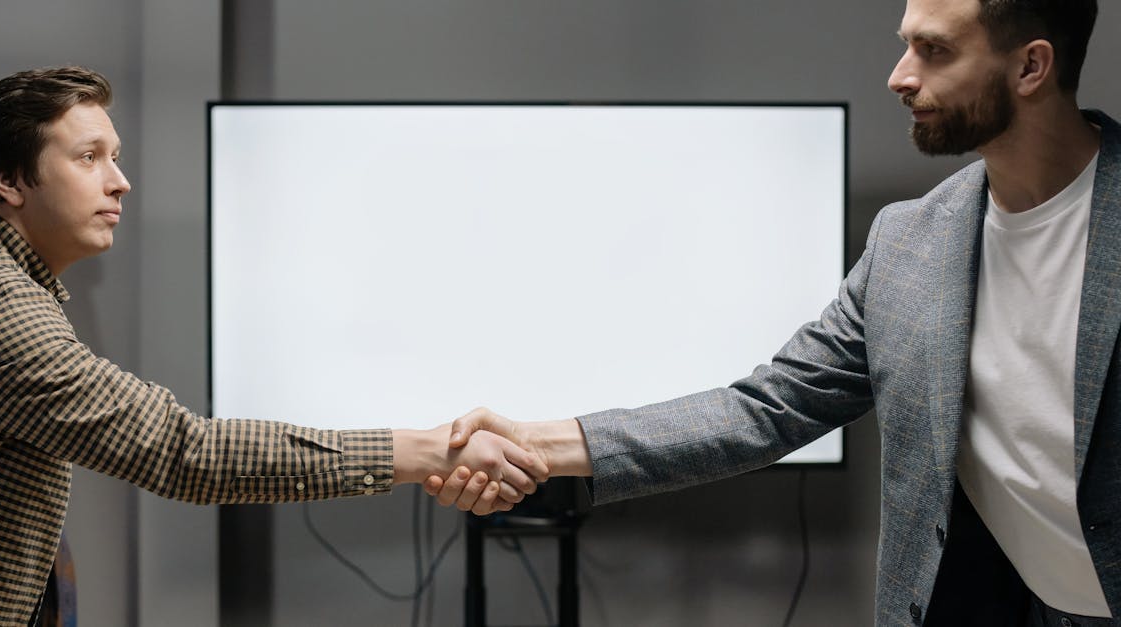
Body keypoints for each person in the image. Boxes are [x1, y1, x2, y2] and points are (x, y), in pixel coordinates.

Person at [429, 0, 1121, 624]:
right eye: (905, 44)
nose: (899, 76)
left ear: (1031, 67)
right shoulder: (912, 241)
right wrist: (539, 444)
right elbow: (766, 407)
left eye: (935, 51)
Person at [0, 66, 547, 625]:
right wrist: (429, 451)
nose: (121, 182)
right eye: (89, 157)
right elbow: (183, 452)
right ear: (7, 179)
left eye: (116, 156)